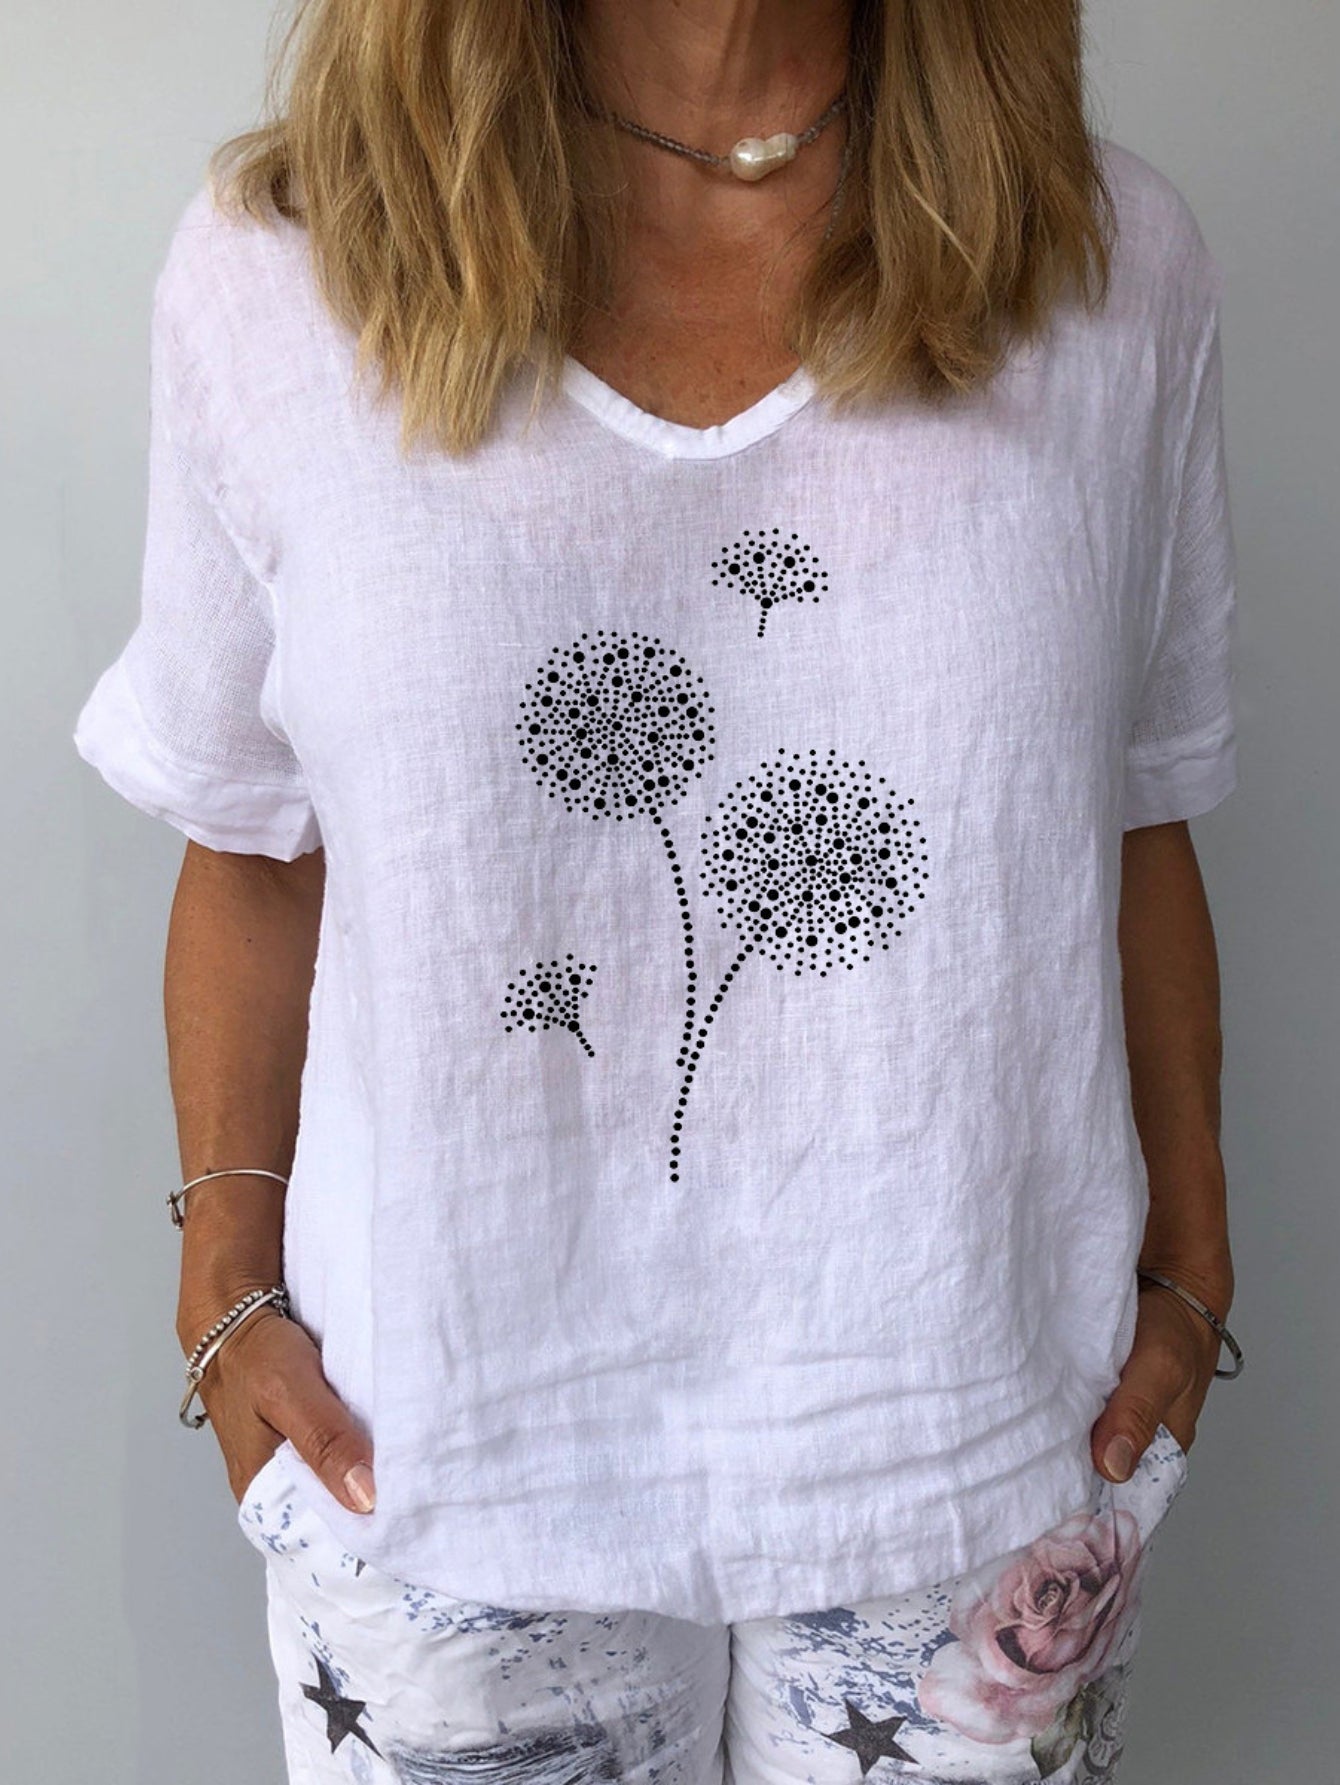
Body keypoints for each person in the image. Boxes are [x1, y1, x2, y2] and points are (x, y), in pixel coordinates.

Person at [72, 1, 1245, 1779]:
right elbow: (248, 832)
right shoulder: (289, 271)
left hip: (977, 1443)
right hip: (444, 1461)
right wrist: (224, 1280)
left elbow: (1135, 809)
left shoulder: (1104, 262)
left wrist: (1193, 1265)